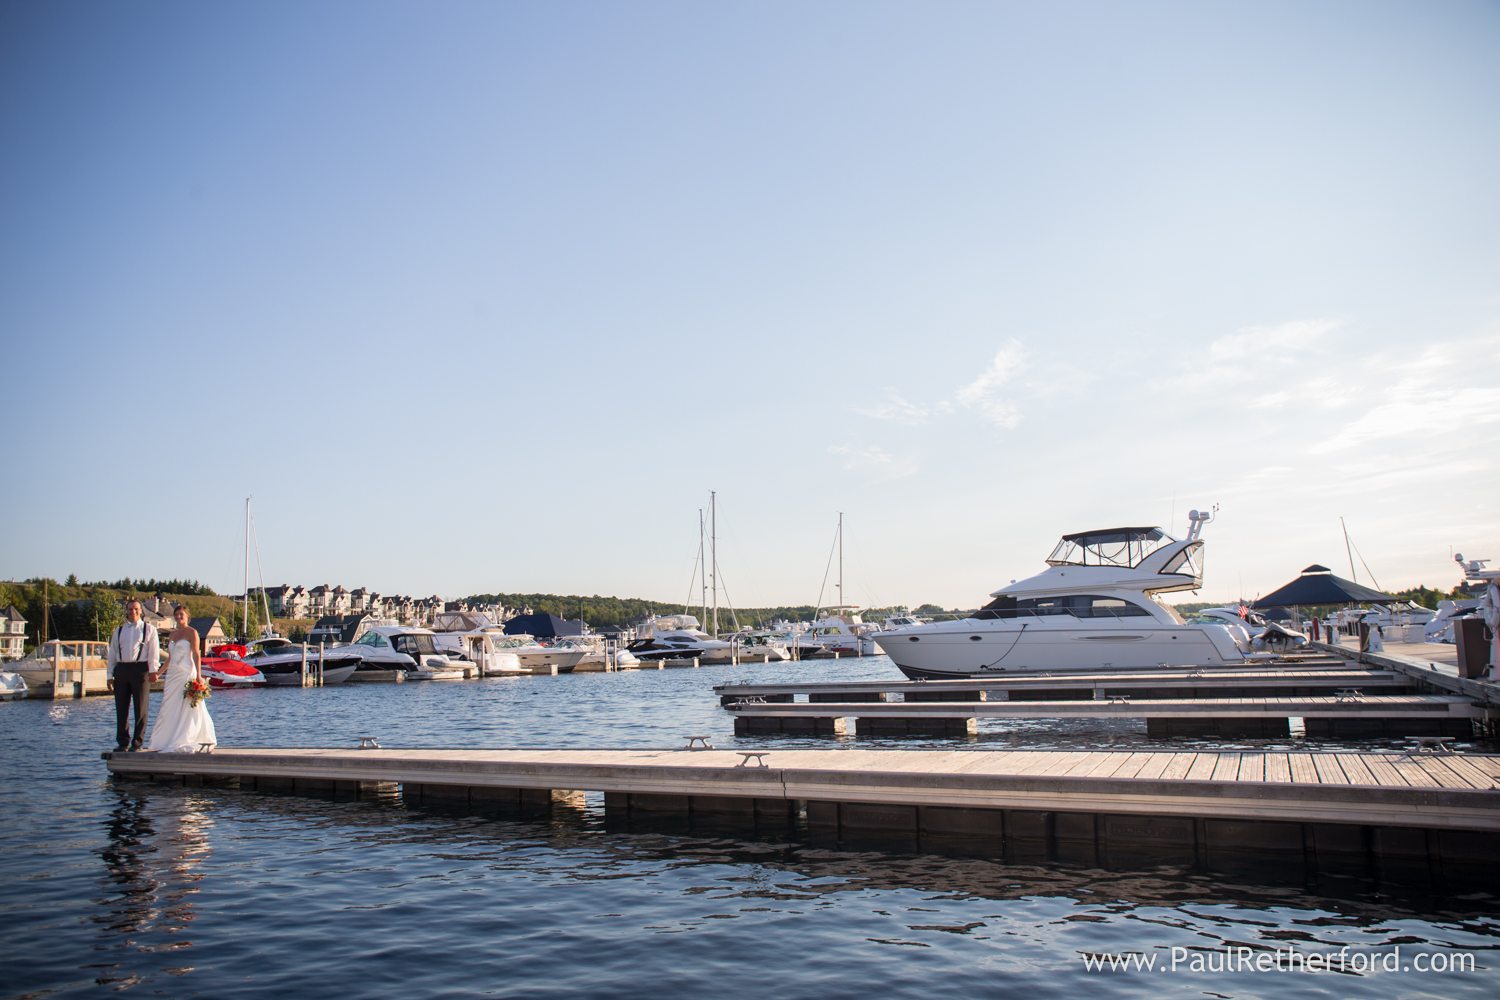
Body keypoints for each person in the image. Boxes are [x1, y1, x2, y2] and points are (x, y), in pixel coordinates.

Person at [146, 605, 217, 753]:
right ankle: (167, 738)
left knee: (187, 705)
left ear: (187, 616)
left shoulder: (192, 632)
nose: (179, 617)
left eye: (181, 614)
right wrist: (159, 673)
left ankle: (187, 736)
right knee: (169, 705)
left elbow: (196, 654)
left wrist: (198, 675)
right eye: (176, 615)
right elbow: (170, 658)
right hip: (173, 675)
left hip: (186, 673)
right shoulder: (173, 634)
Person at [106, 599, 159, 752]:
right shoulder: (119, 631)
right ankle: (122, 742)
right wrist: (110, 675)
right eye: (130, 609)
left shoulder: (149, 629)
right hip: (122, 669)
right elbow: (112, 654)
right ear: (127, 611)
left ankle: (137, 743)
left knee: (140, 708)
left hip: (140, 669)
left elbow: (153, 653)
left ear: (141, 611)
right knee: (121, 708)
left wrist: (153, 670)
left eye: (136, 609)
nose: (133, 612)